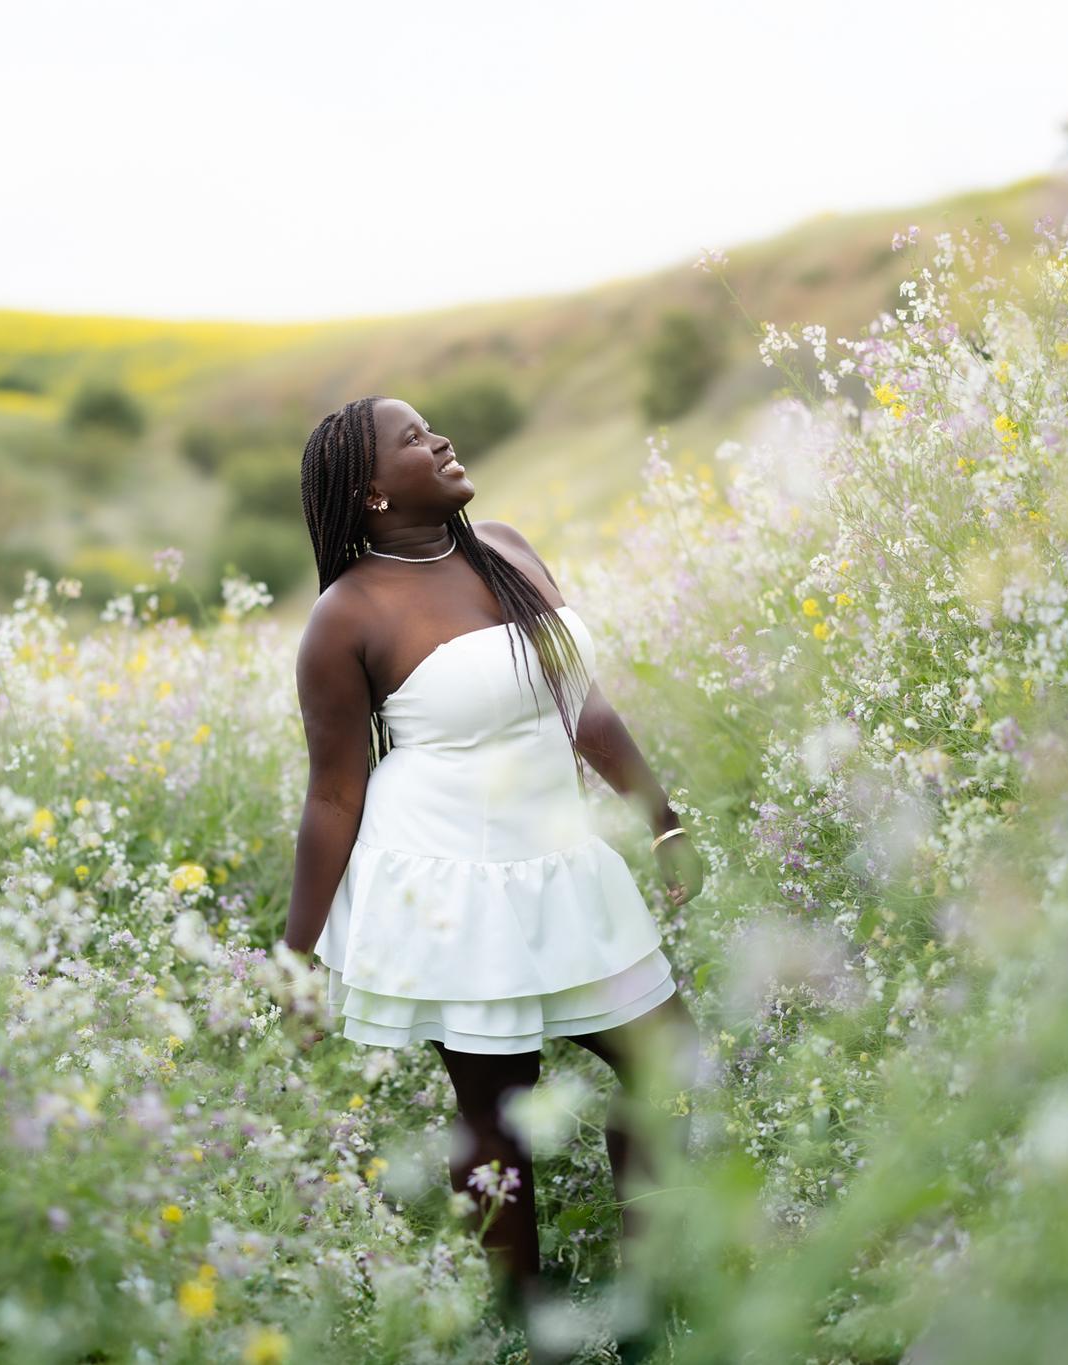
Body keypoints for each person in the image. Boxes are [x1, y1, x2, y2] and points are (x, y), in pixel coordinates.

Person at [280, 394, 706, 1357]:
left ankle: (652, 1290)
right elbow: (333, 796)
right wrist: (297, 952)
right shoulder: (346, 615)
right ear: (372, 491)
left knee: (668, 1061)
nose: (439, 440)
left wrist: (663, 820)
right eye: (413, 439)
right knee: (497, 1110)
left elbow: (579, 704)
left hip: (560, 865)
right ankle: (529, 1320)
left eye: (433, 427)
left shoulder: (505, 547)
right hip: (448, 882)